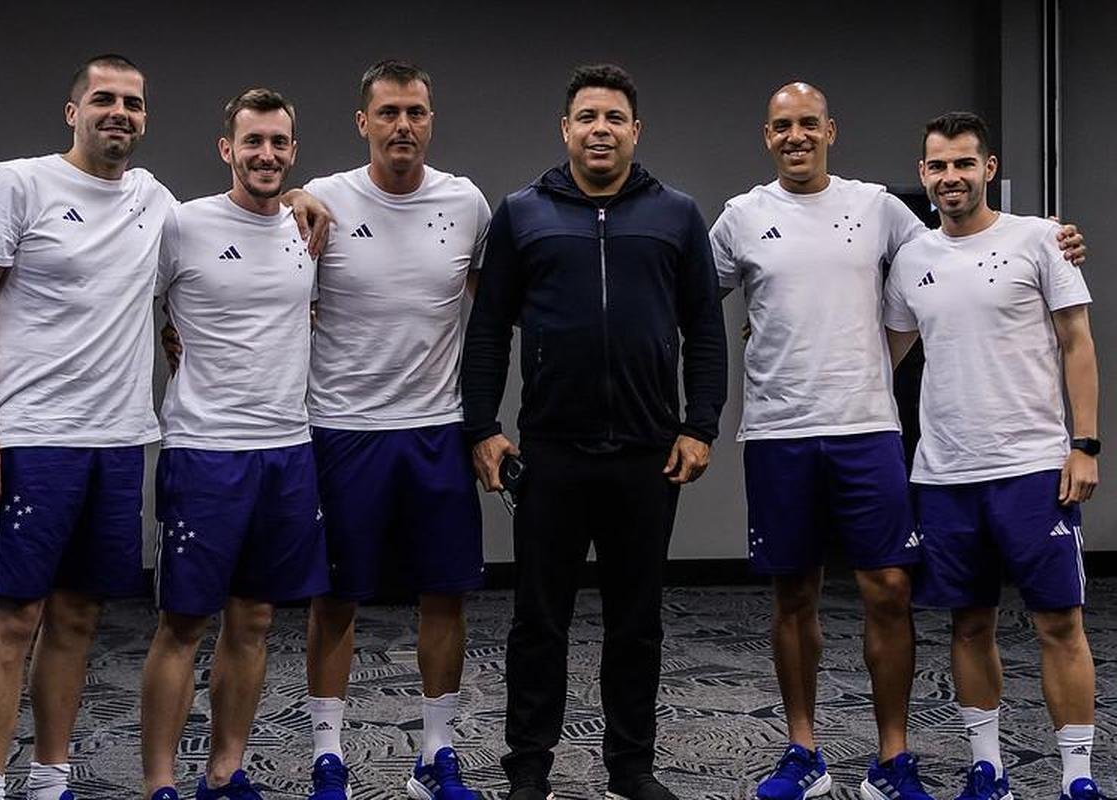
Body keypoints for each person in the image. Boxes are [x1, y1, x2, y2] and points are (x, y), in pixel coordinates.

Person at [707, 82, 1087, 800]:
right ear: (766, 136)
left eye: (808, 124)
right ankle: (802, 752)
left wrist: (1057, 241)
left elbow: (964, 246)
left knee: (887, 589)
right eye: (782, 126)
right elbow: (689, 300)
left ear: (830, 130)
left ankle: (892, 759)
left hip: (868, 430)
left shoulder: (877, 208)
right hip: (778, 431)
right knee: (794, 594)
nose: (796, 136)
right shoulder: (740, 218)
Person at [462, 63, 727, 800]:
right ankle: (529, 771)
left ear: (634, 131)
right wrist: (481, 425)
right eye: (587, 116)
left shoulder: (675, 214)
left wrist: (699, 425)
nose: (600, 129)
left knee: (635, 623)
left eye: (613, 117)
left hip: (647, 454)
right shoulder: (522, 213)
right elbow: (488, 331)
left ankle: (630, 768)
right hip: (550, 452)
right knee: (537, 622)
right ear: (566, 128)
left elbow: (705, 329)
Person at [0, 54, 174, 800]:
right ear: (72, 111)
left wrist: (299, 198)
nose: (119, 112)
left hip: (117, 438)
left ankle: (49, 777)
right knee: (15, 617)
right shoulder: (19, 183)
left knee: (78, 615)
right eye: (103, 98)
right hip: (33, 439)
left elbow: (208, 252)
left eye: (132, 103)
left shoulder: (156, 199)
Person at [884, 112, 1104, 800]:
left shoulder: (1039, 239)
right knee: (968, 621)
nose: (950, 177)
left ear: (987, 168)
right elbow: (880, 354)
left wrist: (1084, 445)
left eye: (962, 164)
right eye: (937, 166)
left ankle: (1076, 776)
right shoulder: (910, 259)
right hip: (944, 474)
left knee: (1058, 622)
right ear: (923, 175)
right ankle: (989, 770)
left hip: (1033, 467)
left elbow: (1077, 344)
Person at [293, 60, 491, 800]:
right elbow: (272, 297)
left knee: (445, 594)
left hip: (436, 429)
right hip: (342, 429)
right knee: (335, 599)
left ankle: (435, 754)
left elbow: (492, 317)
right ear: (363, 123)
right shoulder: (321, 201)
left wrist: (488, 422)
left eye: (414, 112)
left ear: (429, 121)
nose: (402, 125)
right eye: (388, 113)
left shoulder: (465, 202)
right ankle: (326, 753)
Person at [140, 88, 328, 800]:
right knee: (183, 621)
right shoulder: (182, 225)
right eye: (253, 142)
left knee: (253, 619)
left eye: (280, 143)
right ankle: (159, 782)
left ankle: (225, 770)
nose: (267, 155)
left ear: (292, 150)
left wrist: (308, 195)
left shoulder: (308, 226)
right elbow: (139, 310)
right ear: (228, 149)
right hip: (204, 449)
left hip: (286, 448)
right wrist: (168, 354)